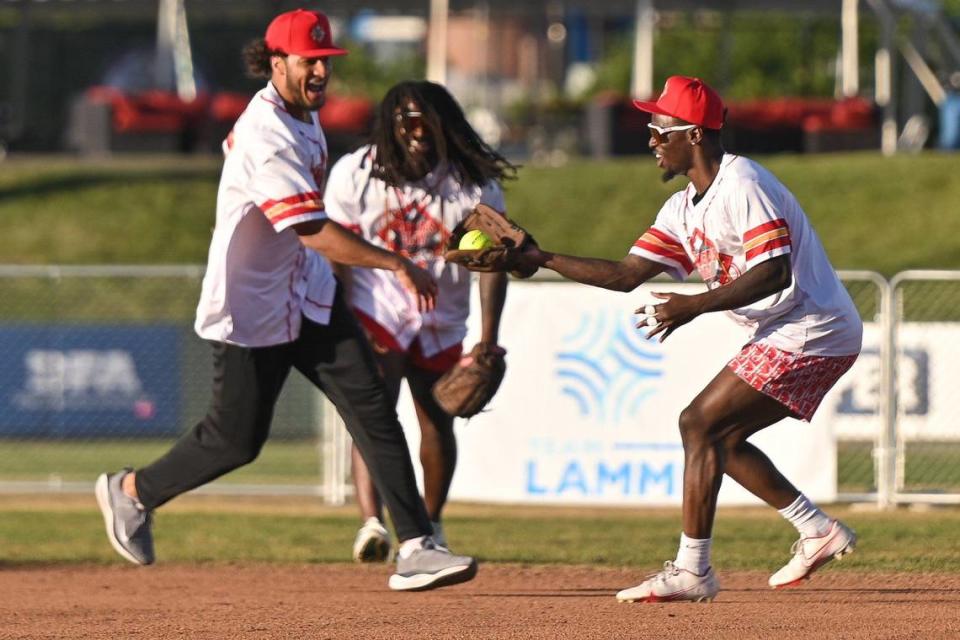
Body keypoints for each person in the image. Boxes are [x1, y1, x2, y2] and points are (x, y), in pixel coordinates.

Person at [94, 9, 478, 592]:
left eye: (325, 61)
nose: (320, 70)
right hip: (252, 308)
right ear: (276, 62)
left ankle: (419, 545)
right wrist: (395, 261)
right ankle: (130, 492)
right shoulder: (265, 133)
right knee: (236, 441)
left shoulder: (300, 113)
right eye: (308, 60)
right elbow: (312, 230)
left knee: (373, 408)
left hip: (308, 296)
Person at [516, 76, 861, 602]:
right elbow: (627, 272)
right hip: (787, 329)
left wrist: (691, 306)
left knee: (698, 423)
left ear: (694, 135)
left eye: (660, 131)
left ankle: (693, 570)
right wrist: (540, 258)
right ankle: (816, 530)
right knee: (716, 437)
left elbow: (773, 272)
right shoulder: (682, 208)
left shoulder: (742, 184)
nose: (652, 141)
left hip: (814, 328)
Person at [323, 80, 513, 561]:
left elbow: (494, 264)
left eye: (427, 120)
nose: (417, 130)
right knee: (374, 415)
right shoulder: (356, 173)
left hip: (443, 316)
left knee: (436, 420)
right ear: (389, 124)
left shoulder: (470, 182)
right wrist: (342, 317)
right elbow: (335, 253)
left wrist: (488, 339)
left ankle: (430, 524)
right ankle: (372, 524)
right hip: (376, 306)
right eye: (406, 120)